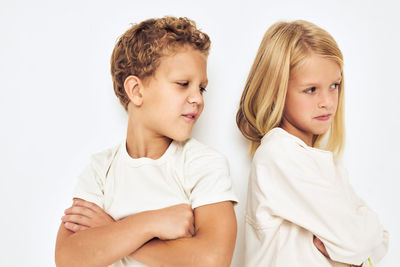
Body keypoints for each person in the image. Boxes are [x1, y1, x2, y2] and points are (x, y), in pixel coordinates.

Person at [55, 16, 238, 267]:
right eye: (183, 84)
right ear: (136, 91)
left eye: (201, 88)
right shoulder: (100, 170)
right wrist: (152, 223)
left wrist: (112, 230)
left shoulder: (203, 164)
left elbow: (212, 259)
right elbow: (69, 257)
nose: (197, 98)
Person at [236, 20, 388, 267]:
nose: (327, 102)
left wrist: (354, 244)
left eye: (334, 86)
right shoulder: (279, 154)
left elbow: (381, 240)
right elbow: (359, 243)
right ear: (276, 91)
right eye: (311, 90)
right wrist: (352, 245)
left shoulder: (322, 162)